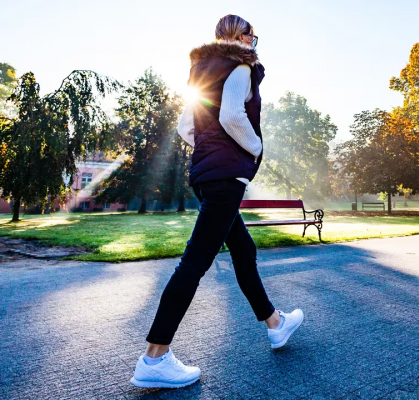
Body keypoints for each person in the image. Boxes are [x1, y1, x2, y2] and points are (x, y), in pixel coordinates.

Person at [130, 14, 304, 389]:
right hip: (227, 179)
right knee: (194, 263)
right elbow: (231, 115)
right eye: (251, 37)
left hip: (206, 177)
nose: (254, 44)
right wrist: (254, 149)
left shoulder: (202, 71)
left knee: (243, 250)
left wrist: (211, 152)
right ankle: (154, 358)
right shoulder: (241, 65)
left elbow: (184, 128)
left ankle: (275, 323)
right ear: (238, 37)